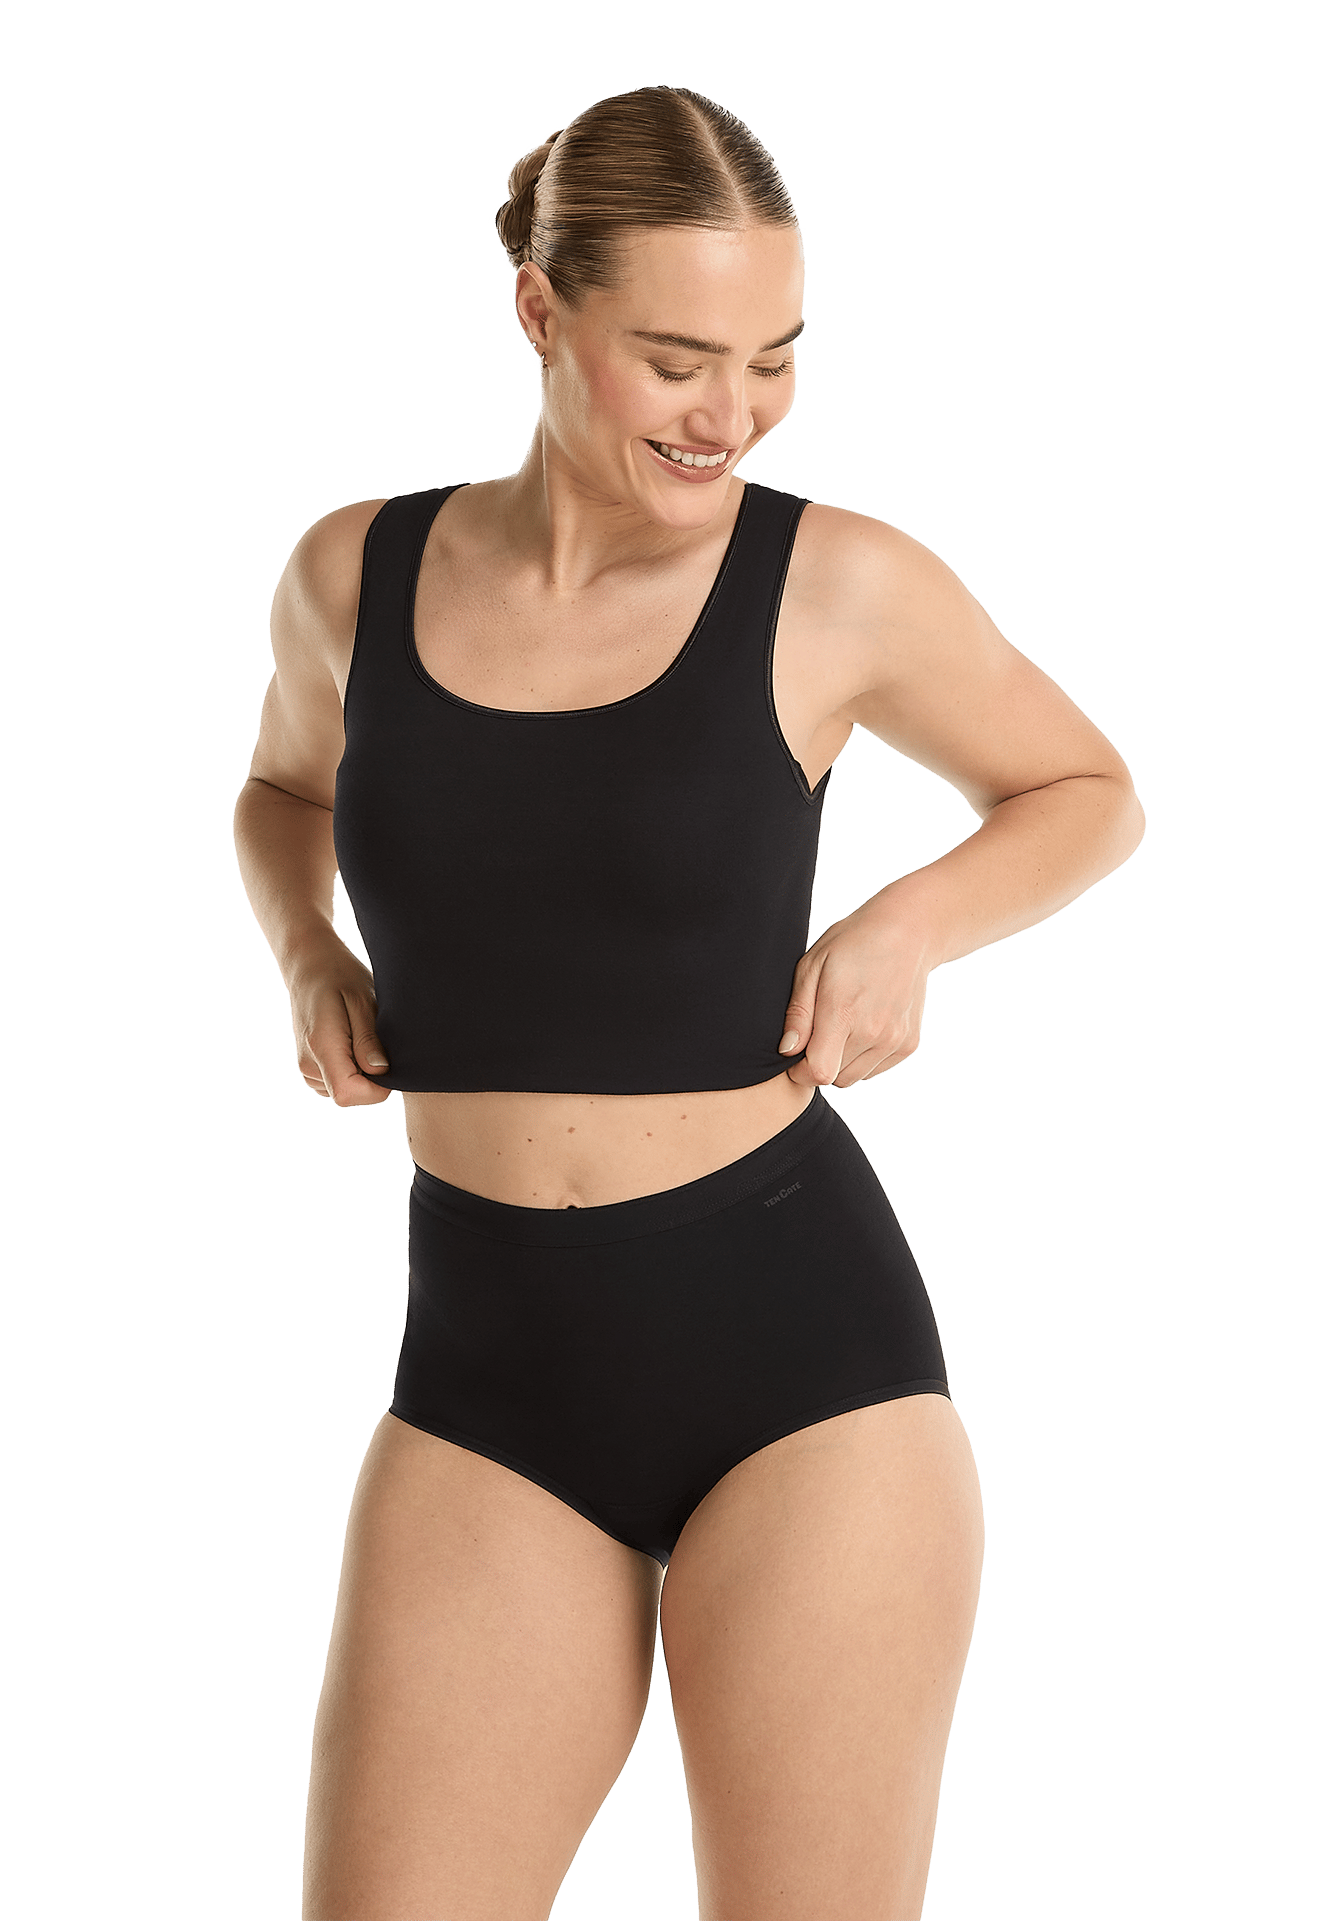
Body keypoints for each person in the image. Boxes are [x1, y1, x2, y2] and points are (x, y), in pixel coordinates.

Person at [232, 82, 1146, 1921]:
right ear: (538, 310)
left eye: (772, 359)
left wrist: (905, 927)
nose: (729, 412)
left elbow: (1084, 790)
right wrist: (309, 954)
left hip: (794, 1367)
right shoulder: (355, 570)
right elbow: (280, 791)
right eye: (674, 359)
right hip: (483, 1369)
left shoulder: (835, 582)